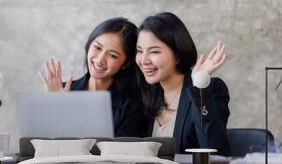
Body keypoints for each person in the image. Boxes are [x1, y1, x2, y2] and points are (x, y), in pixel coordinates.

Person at [135, 12, 230, 155]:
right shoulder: (144, 93)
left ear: (178, 55)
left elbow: (213, 149)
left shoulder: (210, 89)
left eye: (154, 52)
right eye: (139, 51)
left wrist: (199, 86)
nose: (143, 60)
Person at [39, 17, 147, 137]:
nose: (100, 60)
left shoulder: (132, 106)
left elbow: (119, 154)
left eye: (112, 55)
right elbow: (45, 146)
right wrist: (53, 105)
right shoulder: (63, 91)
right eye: (97, 47)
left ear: (126, 63)